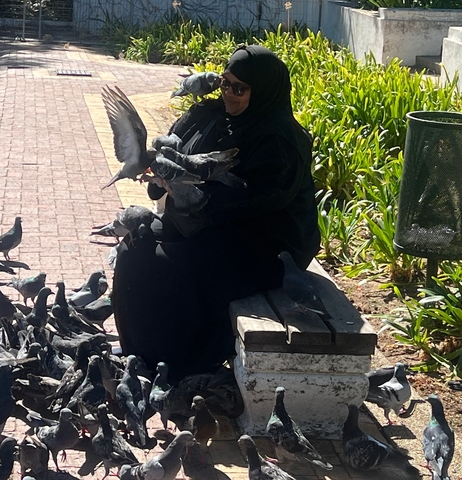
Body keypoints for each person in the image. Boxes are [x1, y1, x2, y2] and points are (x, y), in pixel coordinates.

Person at [112, 45, 320, 382]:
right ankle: (139, 353)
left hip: (268, 242)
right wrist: (166, 180)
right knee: (134, 248)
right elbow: (172, 161)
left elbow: (261, 199)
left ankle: (178, 360)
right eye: (224, 84)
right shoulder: (209, 116)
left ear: (264, 90)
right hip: (209, 223)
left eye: (239, 89)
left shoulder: (281, 140)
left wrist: (196, 197)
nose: (228, 94)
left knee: (173, 264)